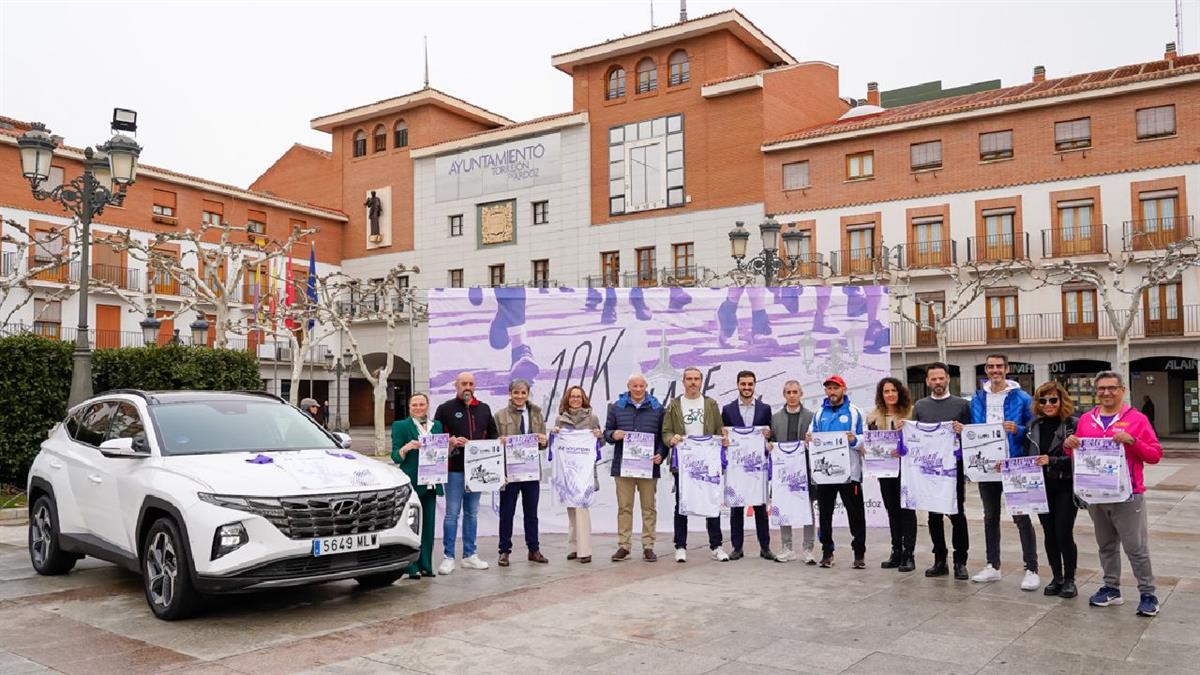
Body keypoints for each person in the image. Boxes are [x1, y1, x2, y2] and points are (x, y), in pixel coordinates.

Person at [1065, 371, 1163, 617]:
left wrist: (1133, 441)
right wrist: (1070, 446)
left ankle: (1148, 593)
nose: (1106, 393)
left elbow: (1154, 455)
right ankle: (1111, 588)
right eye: (1101, 389)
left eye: (1111, 388)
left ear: (1122, 390)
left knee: (1136, 547)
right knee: (1106, 545)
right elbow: (1081, 456)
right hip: (1097, 495)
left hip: (1128, 495)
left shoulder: (1137, 419)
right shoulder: (1086, 419)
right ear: (1096, 391)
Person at [968, 354, 1039, 590]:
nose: (995, 370)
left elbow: (1034, 427)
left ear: (1007, 369)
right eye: (990, 366)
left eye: (999, 366)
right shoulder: (977, 398)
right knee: (990, 517)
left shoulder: (1022, 397)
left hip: (1013, 465)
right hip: (987, 467)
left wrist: (1018, 429)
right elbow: (972, 428)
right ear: (986, 370)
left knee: (1021, 516)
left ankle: (1031, 568)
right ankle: (993, 566)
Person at [912, 362, 973, 580]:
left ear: (947, 379)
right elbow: (915, 439)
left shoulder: (962, 405)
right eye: (933, 379)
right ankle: (940, 560)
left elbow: (972, 435)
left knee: (957, 515)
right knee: (934, 516)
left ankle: (960, 561)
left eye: (941, 378)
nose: (937, 382)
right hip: (929, 472)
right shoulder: (920, 406)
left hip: (953, 470)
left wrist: (963, 430)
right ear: (927, 381)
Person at [433, 371, 497, 575]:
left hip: (477, 472)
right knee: (452, 514)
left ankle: (470, 555)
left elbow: (493, 437)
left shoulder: (484, 409)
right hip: (454, 470)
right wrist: (449, 442)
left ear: (475, 386)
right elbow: (434, 439)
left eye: (470, 383)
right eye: (463, 383)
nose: (467, 387)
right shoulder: (445, 409)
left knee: (472, 513)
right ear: (456, 386)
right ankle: (448, 557)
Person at [662, 366, 727, 563]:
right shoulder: (674, 405)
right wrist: (671, 439)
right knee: (682, 504)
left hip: (707, 462)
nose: (692, 382)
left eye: (696, 379)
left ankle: (716, 546)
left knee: (711, 502)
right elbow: (665, 432)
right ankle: (680, 546)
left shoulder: (710, 404)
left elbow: (719, 429)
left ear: (701, 381)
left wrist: (723, 436)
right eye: (689, 379)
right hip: (683, 462)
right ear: (683, 382)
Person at [605, 373, 669, 563]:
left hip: (648, 467)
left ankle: (648, 546)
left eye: (642, 386)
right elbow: (606, 433)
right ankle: (624, 546)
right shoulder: (616, 407)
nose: (639, 390)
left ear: (646, 387)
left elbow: (663, 436)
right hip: (623, 467)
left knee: (648, 508)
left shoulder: (658, 409)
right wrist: (613, 435)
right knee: (625, 508)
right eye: (635, 386)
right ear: (628, 387)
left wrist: (661, 454)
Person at [1024, 381, 1079, 598]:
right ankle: (1056, 577)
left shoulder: (1073, 425)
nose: (1048, 404)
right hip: (1040, 487)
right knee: (1049, 533)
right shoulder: (1033, 426)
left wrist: (1052, 461)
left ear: (1061, 400)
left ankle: (1070, 579)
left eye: (1053, 400)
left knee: (1063, 532)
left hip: (1065, 485)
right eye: (1043, 400)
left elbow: (1081, 461)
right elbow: (1027, 456)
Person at [807, 375, 866, 569]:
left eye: (836, 388)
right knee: (825, 515)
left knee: (855, 515)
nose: (832, 392)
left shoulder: (855, 412)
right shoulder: (818, 415)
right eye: (829, 388)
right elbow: (811, 439)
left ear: (844, 389)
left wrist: (854, 440)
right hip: (825, 475)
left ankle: (859, 554)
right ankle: (827, 552)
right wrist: (809, 439)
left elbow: (865, 439)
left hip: (850, 474)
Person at [493, 378, 550, 567]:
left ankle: (534, 549)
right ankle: (504, 551)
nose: (519, 396)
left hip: (531, 471)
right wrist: (498, 441)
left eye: (523, 393)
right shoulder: (499, 416)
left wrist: (544, 441)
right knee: (506, 512)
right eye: (516, 393)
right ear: (510, 394)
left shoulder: (536, 414)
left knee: (531, 513)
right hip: (510, 472)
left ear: (528, 394)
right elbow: (494, 443)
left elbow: (543, 444)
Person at [720, 370, 775, 561]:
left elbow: (771, 435)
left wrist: (769, 436)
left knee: (760, 506)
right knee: (736, 508)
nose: (746, 387)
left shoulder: (765, 409)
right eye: (743, 384)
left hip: (757, 467)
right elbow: (723, 435)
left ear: (754, 385)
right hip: (736, 467)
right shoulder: (727, 410)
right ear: (737, 385)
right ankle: (737, 547)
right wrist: (724, 440)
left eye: (750, 384)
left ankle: (765, 547)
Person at [867, 377, 916, 573]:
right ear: (881, 395)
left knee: (907, 511)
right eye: (886, 391)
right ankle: (896, 551)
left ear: (900, 392)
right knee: (892, 510)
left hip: (906, 469)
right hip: (884, 470)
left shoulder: (911, 413)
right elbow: (871, 441)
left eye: (893, 390)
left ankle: (908, 554)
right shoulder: (873, 416)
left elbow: (919, 440)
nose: (890, 394)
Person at [391, 393, 442, 579]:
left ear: (427, 406)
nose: (418, 407)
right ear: (409, 407)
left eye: (421, 404)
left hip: (431, 482)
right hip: (412, 482)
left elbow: (442, 454)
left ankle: (426, 565)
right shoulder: (401, 426)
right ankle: (412, 567)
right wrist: (406, 447)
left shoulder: (437, 426)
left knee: (428, 527)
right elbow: (395, 456)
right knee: (412, 525)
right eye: (415, 405)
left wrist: (450, 446)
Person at [552, 385, 603, 563]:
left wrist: (599, 435)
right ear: (567, 399)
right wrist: (554, 435)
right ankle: (573, 547)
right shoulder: (560, 420)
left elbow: (599, 444)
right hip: (568, 472)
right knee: (572, 510)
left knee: (581, 508)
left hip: (585, 471)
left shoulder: (592, 418)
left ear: (583, 400)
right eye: (572, 396)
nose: (575, 399)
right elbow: (556, 446)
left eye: (578, 397)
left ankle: (585, 550)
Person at [768, 380, 816, 564]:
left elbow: (817, 442)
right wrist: (769, 444)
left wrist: (812, 441)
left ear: (801, 393)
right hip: (783, 472)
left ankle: (808, 549)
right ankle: (786, 548)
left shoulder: (812, 417)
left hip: (805, 470)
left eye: (795, 391)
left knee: (808, 509)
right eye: (788, 392)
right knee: (783, 508)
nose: (792, 395)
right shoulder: (776, 418)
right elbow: (771, 441)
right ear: (784, 394)